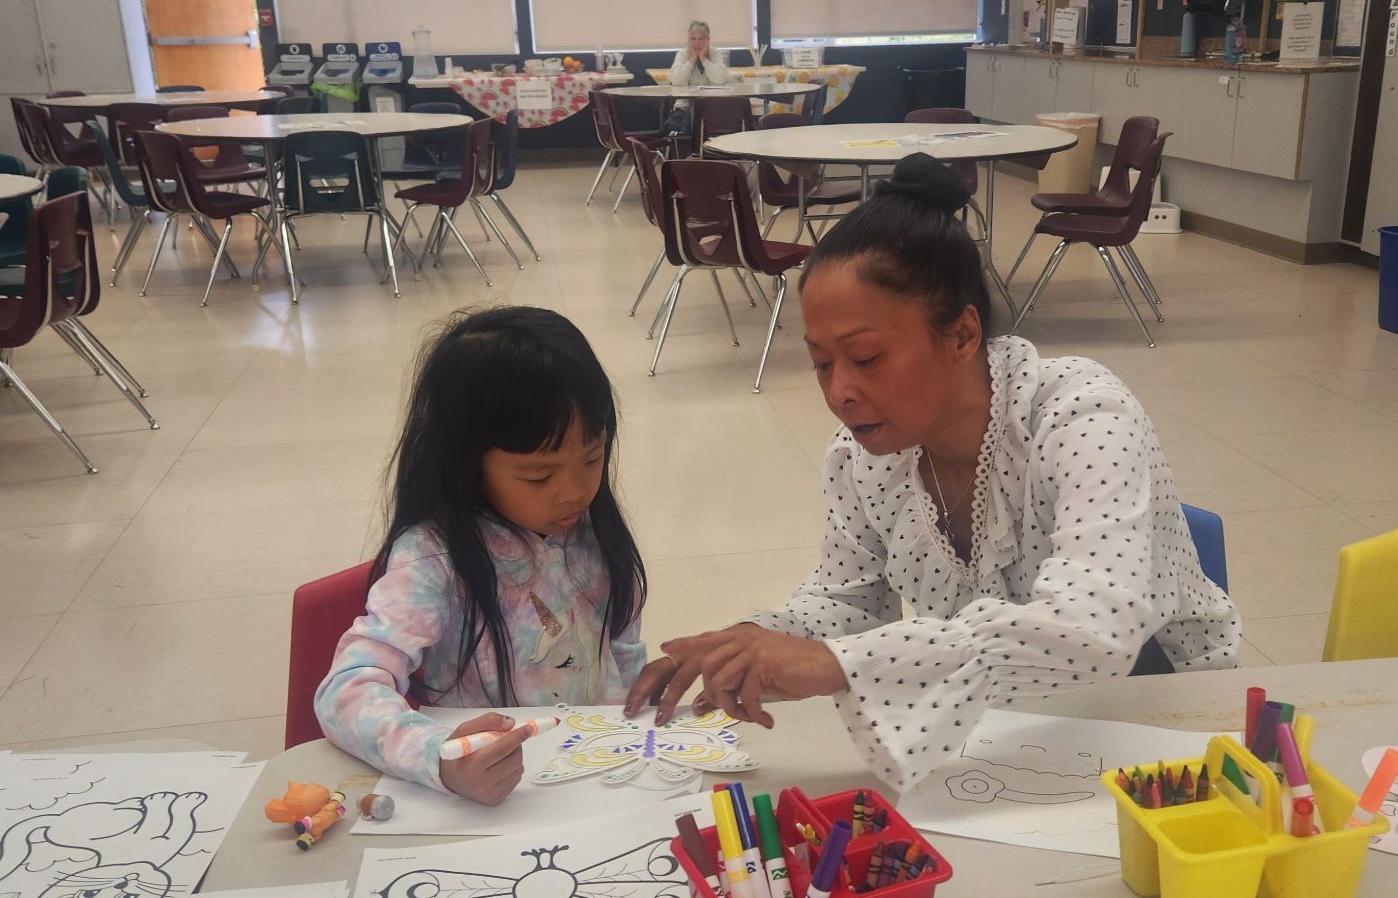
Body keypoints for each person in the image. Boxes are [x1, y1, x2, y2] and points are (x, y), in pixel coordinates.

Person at [631, 155, 1240, 790]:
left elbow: (1098, 627)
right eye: (820, 363)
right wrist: (755, 640)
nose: (840, 392)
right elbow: (850, 600)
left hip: (1162, 712)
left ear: (962, 334)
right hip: (1011, 721)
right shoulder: (862, 459)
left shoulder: (1080, 413)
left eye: (866, 358)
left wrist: (840, 664)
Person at [317, 307, 667, 805]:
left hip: (601, 780)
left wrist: (645, 714)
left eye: (593, 458)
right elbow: (345, 691)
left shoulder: (593, 533)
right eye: (538, 476)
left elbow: (625, 650)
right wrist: (438, 753)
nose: (575, 491)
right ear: (464, 462)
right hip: (501, 802)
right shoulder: (433, 559)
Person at [667, 20, 736, 89]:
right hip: (687, 98)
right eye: (693, 39)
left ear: (708, 40)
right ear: (688, 40)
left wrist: (704, 59)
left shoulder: (715, 53)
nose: (697, 43)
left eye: (701, 39)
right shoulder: (683, 54)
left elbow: (720, 80)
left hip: (711, 98)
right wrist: (692, 60)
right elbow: (675, 81)